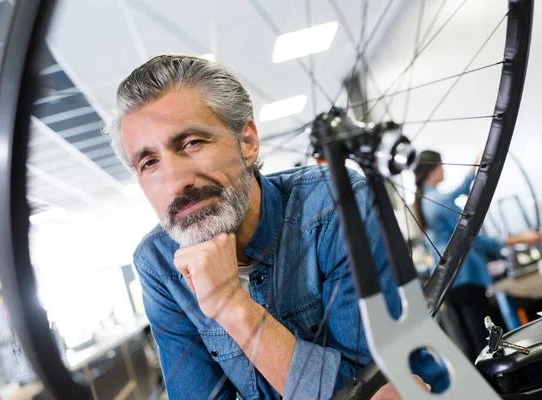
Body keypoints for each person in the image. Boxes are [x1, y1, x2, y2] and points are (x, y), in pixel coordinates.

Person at [106, 54, 429, 399]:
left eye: (191, 143)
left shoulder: (333, 203)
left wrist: (232, 305)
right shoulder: (157, 262)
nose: (175, 184)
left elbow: (372, 387)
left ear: (246, 143)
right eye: (149, 162)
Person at [413, 150, 542, 359]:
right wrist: (520, 239)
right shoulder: (437, 203)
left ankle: (485, 377)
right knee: (483, 334)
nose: (444, 169)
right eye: (441, 165)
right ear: (433, 169)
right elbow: (472, 236)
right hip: (463, 277)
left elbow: (455, 194)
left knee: (471, 336)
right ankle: (496, 381)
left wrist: (472, 173)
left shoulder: (427, 198)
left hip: (447, 278)